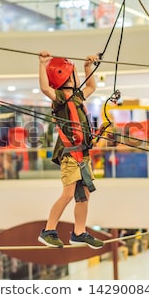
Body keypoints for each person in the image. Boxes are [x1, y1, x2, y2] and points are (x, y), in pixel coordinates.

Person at [37, 50, 103, 249]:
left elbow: (91, 85)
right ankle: (48, 230)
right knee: (67, 194)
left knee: (84, 194)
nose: (77, 77)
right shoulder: (59, 98)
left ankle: (79, 232)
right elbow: (44, 88)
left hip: (82, 154)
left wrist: (87, 68)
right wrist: (42, 64)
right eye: (74, 73)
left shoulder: (77, 96)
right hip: (70, 154)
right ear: (64, 76)